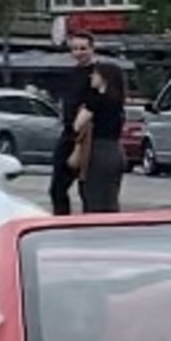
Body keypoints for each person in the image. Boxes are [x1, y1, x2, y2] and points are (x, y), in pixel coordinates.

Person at [68, 61, 129, 214]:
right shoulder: (118, 102)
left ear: (104, 78)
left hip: (97, 151)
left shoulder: (96, 101)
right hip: (115, 150)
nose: (92, 77)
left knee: (93, 195)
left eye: (95, 74)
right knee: (109, 197)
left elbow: (77, 125)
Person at [51, 33, 100, 217]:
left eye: (83, 48)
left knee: (87, 188)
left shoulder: (98, 74)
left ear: (92, 49)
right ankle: (61, 222)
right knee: (57, 187)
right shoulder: (69, 75)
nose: (79, 53)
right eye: (75, 49)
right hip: (68, 133)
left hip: (88, 136)